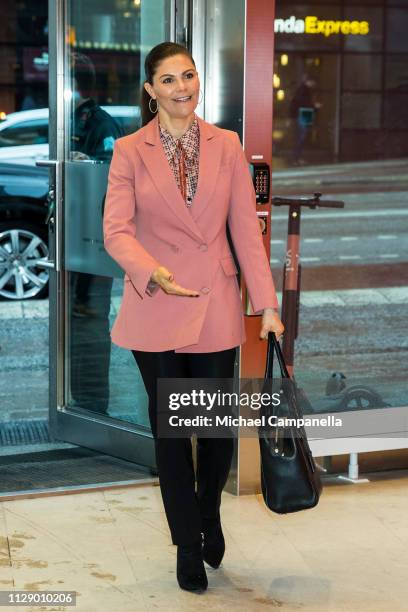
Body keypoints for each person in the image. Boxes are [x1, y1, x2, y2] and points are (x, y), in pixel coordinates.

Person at [103, 41, 284, 593]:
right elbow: (116, 230)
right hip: (155, 304)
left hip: (214, 303)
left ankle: (209, 515)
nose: (184, 87)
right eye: (170, 80)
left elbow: (245, 232)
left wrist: (268, 304)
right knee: (171, 434)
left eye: (190, 76)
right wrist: (151, 270)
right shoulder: (130, 150)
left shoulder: (226, 144)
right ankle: (187, 542)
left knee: (214, 430)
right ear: (150, 90)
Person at [289, 74, 320, 165]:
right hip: (304, 113)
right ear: (310, 81)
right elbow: (304, 103)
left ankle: (297, 158)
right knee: (301, 136)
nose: (314, 84)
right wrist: (315, 106)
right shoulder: (304, 90)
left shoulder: (303, 89)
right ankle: (296, 158)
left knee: (301, 136)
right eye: (313, 82)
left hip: (303, 113)